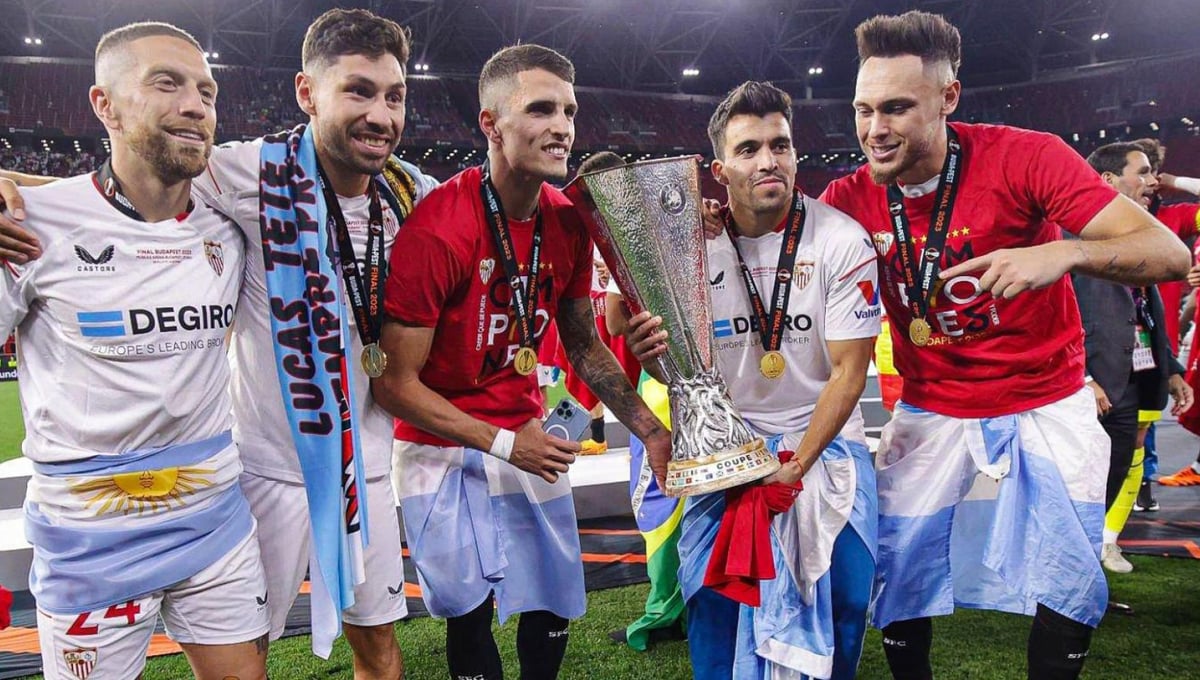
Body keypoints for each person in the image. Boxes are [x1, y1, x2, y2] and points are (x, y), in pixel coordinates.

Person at [0, 10, 436, 676]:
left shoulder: (412, 194)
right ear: (307, 92)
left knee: (368, 646)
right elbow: (117, 188)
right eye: (357, 91)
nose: (380, 113)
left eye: (394, 96)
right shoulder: (243, 174)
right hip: (232, 484)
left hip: (331, 477)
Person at [818, 11, 1190, 680]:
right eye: (864, 110)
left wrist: (1064, 253)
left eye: (897, 108)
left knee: (1071, 572)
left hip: (1045, 394)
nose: (875, 129)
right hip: (933, 401)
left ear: (948, 97)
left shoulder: (1026, 156)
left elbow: (1166, 253)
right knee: (898, 567)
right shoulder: (847, 198)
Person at [370, 44, 671, 680]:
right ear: (491, 123)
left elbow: (583, 344)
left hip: (529, 434)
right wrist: (507, 445)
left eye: (569, 111)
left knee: (553, 600)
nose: (562, 127)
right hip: (440, 446)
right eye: (540, 110)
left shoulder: (567, 221)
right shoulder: (437, 229)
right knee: (468, 612)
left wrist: (651, 431)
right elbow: (395, 385)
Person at [0, 22, 270, 679]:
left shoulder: (232, 223)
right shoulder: (28, 224)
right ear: (105, 105)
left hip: (215, 523)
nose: (195, 105)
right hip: (90, 539)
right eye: (166, 83)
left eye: (207, 92)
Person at [621, 81, 880, 680]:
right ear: (719, 171)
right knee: (713, 608)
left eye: (779, 145)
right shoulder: (687, 248)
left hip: (824, 445)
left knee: (846, 597)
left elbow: (849, 371)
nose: (768, 161)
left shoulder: (841, 239)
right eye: (748, 149)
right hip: (724, 452)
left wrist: (796, 464)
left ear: (795, 153)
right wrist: (649, 351)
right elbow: (670, 363)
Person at [1077, 142, 1192, 574]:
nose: (1152, 181)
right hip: (1085, 387)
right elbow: (1050, 317)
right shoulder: (1069, 236)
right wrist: (1082, 378)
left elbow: (1143, 311)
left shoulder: (1143, 233)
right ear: (1108, 180)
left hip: (1130, 380)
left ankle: (1091, 566)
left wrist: (1172, 369)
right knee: (1074, 486)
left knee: (1113, 476)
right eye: (1141, 172)